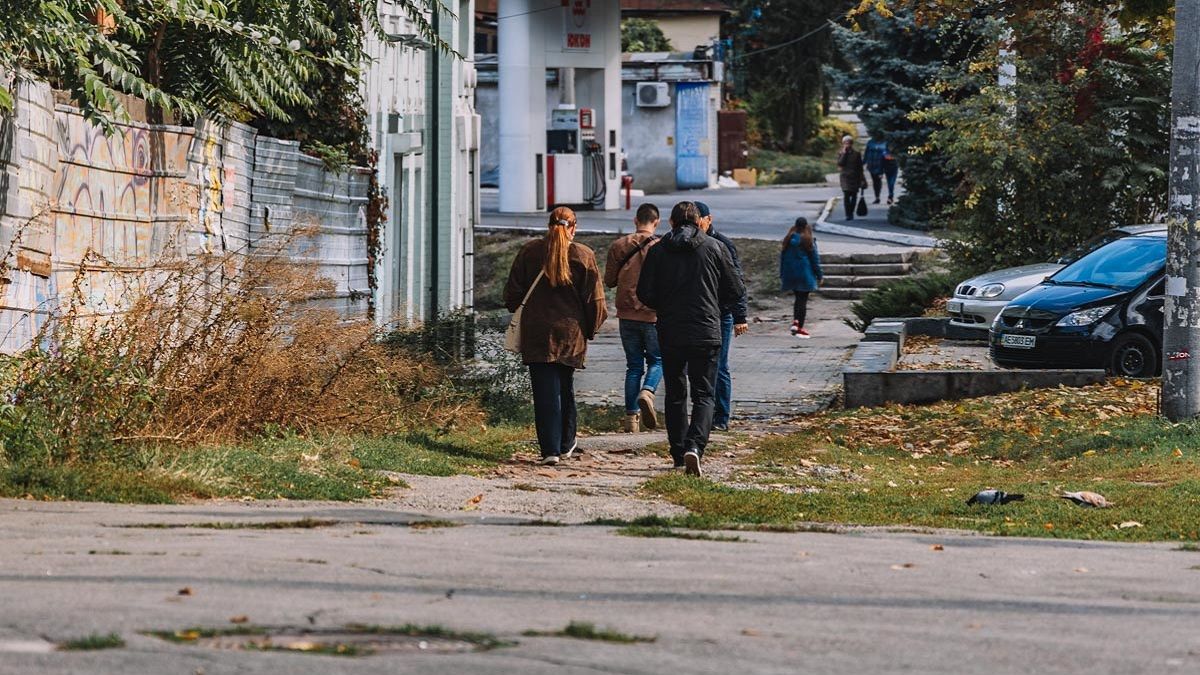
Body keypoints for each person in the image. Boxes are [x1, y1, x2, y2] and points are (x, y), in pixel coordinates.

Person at [637, 201, 745, 477]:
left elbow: (644, 293)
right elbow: (735, 289)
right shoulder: (715, 248)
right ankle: (695, 447)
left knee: (675, 393)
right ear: (700, 222)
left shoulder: (658, 250)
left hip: (671, 330)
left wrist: (664, 304)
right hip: (707, 330)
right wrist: (713, 300)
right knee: (704, 393)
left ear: (671, 223)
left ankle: (677, 451)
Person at [504, 206, 608, 466]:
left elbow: (512, 295)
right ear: (573, 227)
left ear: (549, 225)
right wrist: (590, 329)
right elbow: (595, 301)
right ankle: (566, 442)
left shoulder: (530, 252)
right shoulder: (583, 255)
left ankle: (550, 449)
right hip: (570, 333)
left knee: (544, 391)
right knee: (565, 387)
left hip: (537, 332)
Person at [604, 203, 662, 434]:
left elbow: (609, 280)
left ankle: (631, 421)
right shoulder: (661, 247)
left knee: (633, 366)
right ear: (657, 222)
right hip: (653, 314)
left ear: (635, 220)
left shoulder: (619, 245)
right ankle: (648, 391)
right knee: (658, 360)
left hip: (626, 314)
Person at [693, 201, 748, 432]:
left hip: (722, 313)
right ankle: (705, 411)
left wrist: (740, 316)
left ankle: (721, 417)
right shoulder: (689, 243)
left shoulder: (723, 244)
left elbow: (736, 282)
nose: (696, 226)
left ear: (708, 219)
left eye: (699, 221)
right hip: (699, 313)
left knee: (721, 366)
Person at [779, 217, 823, 339]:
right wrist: (819, 275)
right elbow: (815, 260)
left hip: (791, 274)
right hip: (805, 274)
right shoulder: (808, 240)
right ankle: (800, 327)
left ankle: (795, 322)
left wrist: (782, 274)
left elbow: (782, 258)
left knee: (797, 298)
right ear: (805, 226)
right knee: (802, 300)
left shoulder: (788, 239)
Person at [837, 135, 867, 220]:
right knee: (846, 195)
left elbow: (860, 168)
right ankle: (847, 214)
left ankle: (851, 212)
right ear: (843, 144)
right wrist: (844, 153)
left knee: (854, 196)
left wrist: (862, 179)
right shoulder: (840, 153)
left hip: (855, 177)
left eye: (849, 143)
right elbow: (840, 163)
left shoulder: (856, 154)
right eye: (845, 143)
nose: (847, 145)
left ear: (852, 144)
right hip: (845, 177)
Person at [864, 135, 900, 205]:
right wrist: (863, 162)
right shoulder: (870, 142)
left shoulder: (887, 142)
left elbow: (891, 153)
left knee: (890, 182)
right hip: (873, 165)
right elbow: (866, 153)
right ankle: (877, 197)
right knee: (876, 182)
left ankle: (890, 196)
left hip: (887, 164)